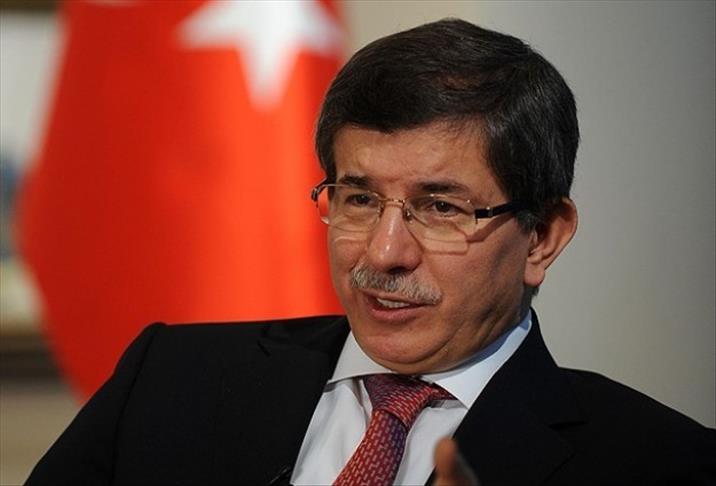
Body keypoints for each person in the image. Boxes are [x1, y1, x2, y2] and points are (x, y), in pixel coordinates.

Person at [26, 18, 714, 486]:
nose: (383, 253)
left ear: (543, 237)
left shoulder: (663, 462)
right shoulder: (168, 380)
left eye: (441, 208)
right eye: (358, 198)